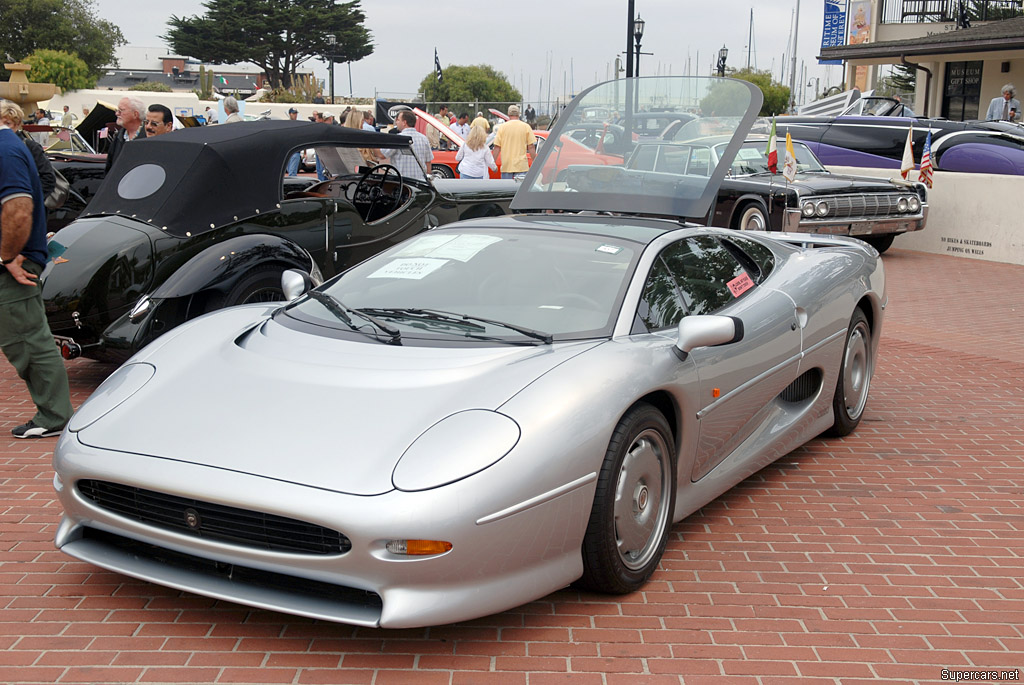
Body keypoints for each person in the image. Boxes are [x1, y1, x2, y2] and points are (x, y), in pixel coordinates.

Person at [0, 100, 74, 438]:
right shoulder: (11, 147)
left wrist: (7, 257)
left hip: (14, 264)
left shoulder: (6, 150)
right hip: (14, 258)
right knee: (26, 337)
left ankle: (54, 415)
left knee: (27, 340)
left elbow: (18, 208)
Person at [0, 102, 57, 203]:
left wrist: (29, 201)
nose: (3, 128)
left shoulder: (31, 147)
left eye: (8, 124)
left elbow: (48, 178)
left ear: (17, 124)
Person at [380, 110, 433, 181]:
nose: (396, 122)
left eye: (398, 120)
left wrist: (371, 145)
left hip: (402, 182)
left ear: (404, 122)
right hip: (420, 183)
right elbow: (428, 162)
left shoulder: (398, 138)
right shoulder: (424, 139)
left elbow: (382, 155)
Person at [491, 104, 536, 180]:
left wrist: (492, 163)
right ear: (519, 114)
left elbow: (497, 147)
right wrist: (535, 162)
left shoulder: (502, 127)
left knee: (507, 190)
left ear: (508, 114)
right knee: (520, 190)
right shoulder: (526, 126)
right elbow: (531, 146)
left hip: (506, 166)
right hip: (521, 166)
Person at [105, 96, 146, 173]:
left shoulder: (148, 137)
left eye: (121, 110)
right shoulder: (118, 137)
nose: (117, 114)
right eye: (117, 110)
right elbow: (109, 168)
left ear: (135, 114)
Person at [285, 107, 302, 177]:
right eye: (293, 113)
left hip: (295, 151)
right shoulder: (287, 125)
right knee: (290, 172)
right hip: (288, 152)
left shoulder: (298, 125)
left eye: (296, 113)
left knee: (292, 173)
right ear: (290, 114)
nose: (295, 115)